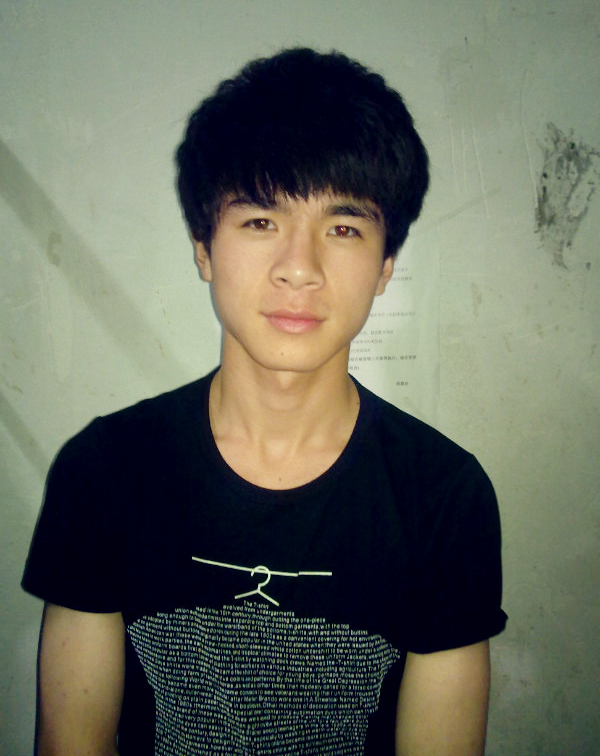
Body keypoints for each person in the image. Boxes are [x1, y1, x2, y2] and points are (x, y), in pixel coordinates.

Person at [22, 47, 506, 755]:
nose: (300, 269)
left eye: (343, 228)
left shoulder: (442, 494)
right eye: (259, 221)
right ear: (203, 247)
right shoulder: (104, 469)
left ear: (385, 266)